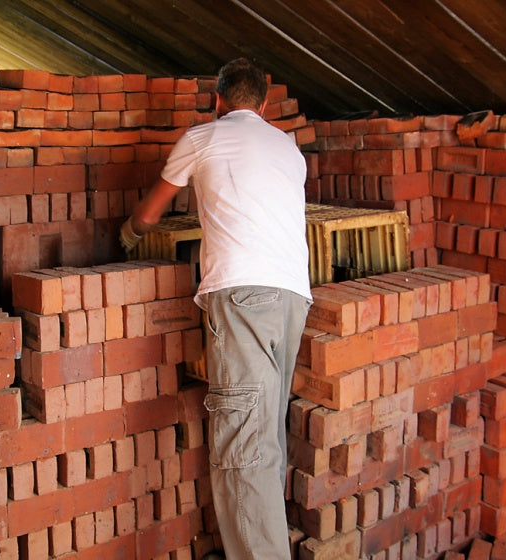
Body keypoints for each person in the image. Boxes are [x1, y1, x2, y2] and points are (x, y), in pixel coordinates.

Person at [120, 58, 312, 560]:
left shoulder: (202, 138)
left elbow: (149, 213)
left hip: (243, 294)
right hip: (293, 297)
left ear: (218, 100)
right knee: (265, 434)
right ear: (265, 105)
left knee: (242, 447)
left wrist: (128, 235)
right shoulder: (288, 148)